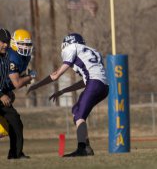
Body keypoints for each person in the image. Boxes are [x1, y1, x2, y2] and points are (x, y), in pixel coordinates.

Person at [27, 33, 109, 157]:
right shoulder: (94, 51)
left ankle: (83, 148)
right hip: (104, 87)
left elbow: (55, 75)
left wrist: (36, 85)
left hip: (94, 83)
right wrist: (63, 91)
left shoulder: (71, 48)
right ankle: (85, 147)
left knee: (79, 115)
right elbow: (87, 80)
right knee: (76, 110)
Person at [0, 28, 31, 159]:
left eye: (7, 42)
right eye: (2, 42)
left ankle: (15, 154)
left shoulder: (5, 57)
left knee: (15, 122)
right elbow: (17, 82)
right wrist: (1, 94)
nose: (6, 45)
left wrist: (7, 91)